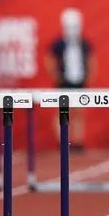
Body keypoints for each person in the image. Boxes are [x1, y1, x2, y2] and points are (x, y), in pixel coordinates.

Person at [45, 8, 95, 149]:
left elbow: (91, 60)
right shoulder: (58, 43)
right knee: (62, 112)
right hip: (63, 82)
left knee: (79, 112)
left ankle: (78, 141)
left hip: (79, 82)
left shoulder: (85, 43)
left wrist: (89, 75)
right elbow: (49, 59)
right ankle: (62, 141)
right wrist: (55, 74)